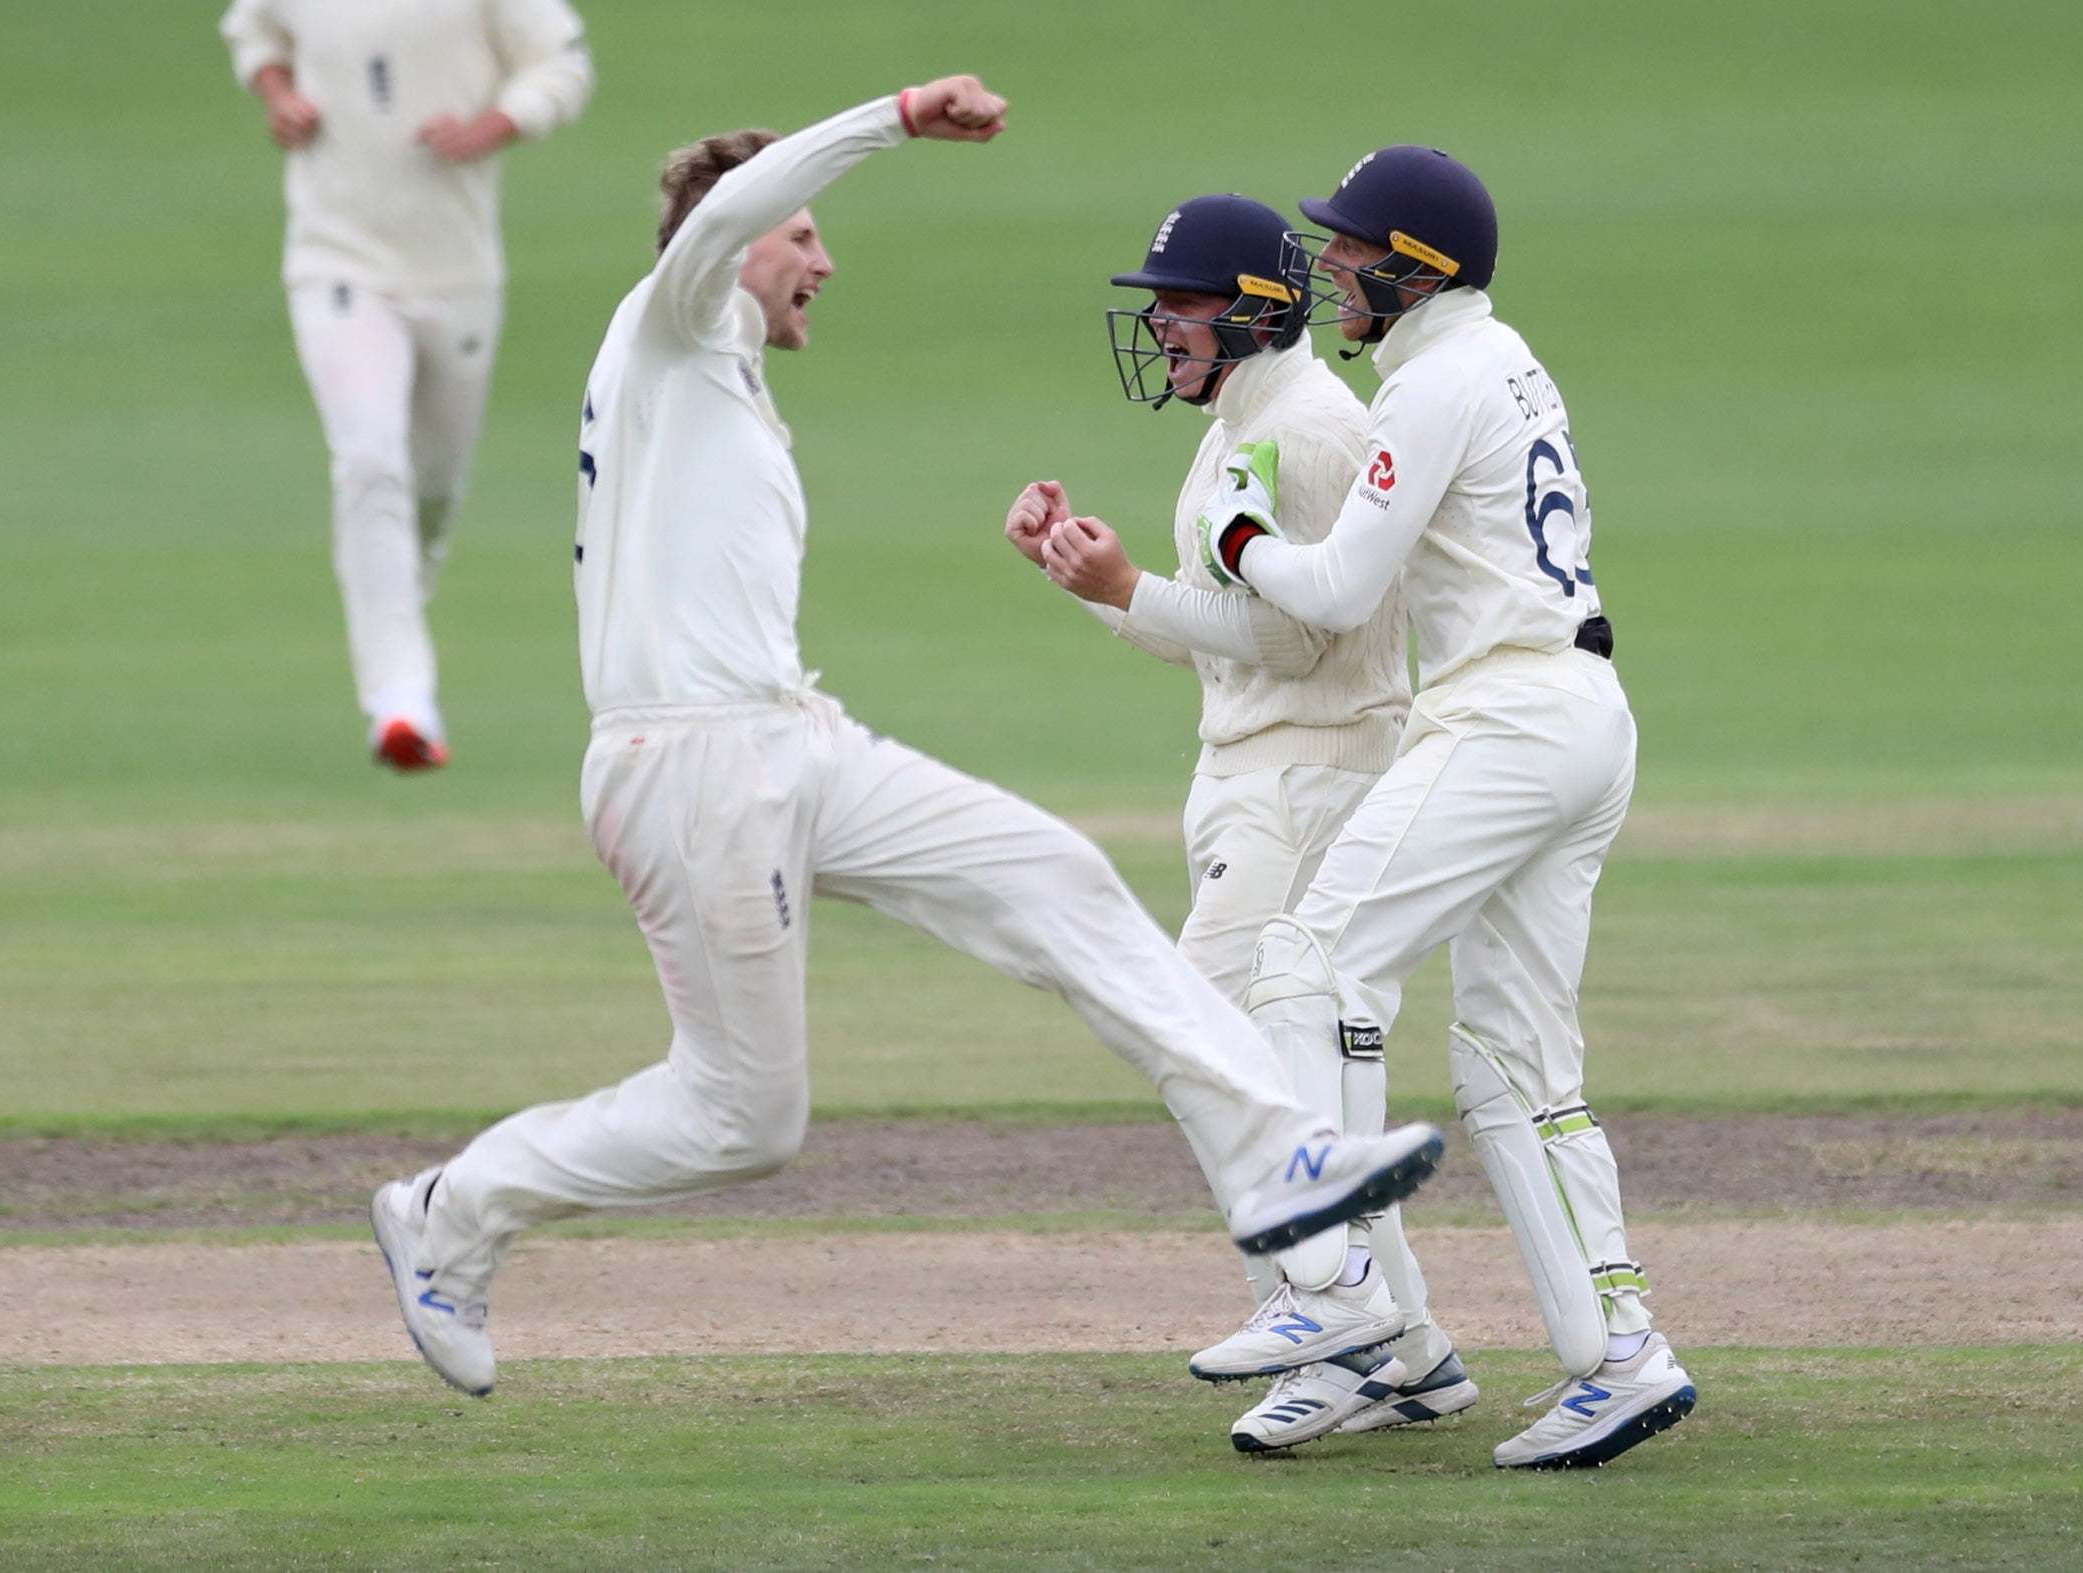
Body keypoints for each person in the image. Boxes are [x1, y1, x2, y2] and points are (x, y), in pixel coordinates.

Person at [367, 79, 1444, 1399]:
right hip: (690, 769)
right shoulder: (670, 319)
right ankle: (451, 1212)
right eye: (801, 235)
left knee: (1058, 876)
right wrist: (898, 116)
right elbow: (738, 206)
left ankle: (1281, 1161)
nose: (822, 258)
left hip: (789, 739)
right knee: (743, 1118)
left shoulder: (716, 371)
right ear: (726, 238)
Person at [1190, 144, 1696, 1469]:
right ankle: (1621, 1353)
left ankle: (1336, 1285)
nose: (1332, 268)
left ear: (1417, 271)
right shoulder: (1506, 358)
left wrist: (1243, 543)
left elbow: (1341, 589)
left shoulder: (1432, 380)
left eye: (1353, 249)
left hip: (1506, 716)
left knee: (1309, 964)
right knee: (1513, 1062)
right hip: (1585, 716)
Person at [1006, 194, 1473, 1454]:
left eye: (1183, 304)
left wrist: (1130, 585)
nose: (1161, 325)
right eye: (1157, 305)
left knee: (1212, 1042)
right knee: (1265, 1072)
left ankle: (1338, 1319)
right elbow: (1219, 649)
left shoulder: (1310, 430)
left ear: (1259, 311)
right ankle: (1405, 1352)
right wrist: (1087, 583)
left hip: (1316, 775)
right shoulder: (1242, 424)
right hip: (1258, 773)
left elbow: (1304, 639)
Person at [220, 0, 594, 769]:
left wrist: (492, 126)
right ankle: (401, 702)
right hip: (336, 258)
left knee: (430, 486)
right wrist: (279, 95)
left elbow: (563, 66)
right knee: (368, 463)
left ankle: (396, 597)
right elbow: (253, 31)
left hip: (456, 273)